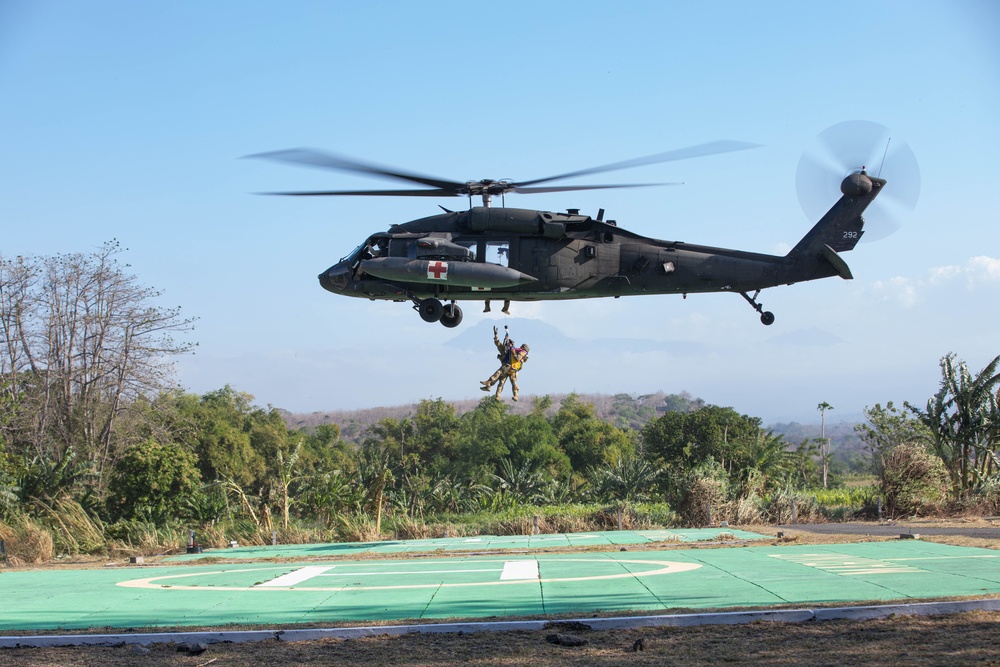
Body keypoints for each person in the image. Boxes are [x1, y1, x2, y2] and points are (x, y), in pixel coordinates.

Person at [480, 326, 529, 401]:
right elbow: (498, 344)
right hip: (508, 369)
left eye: (508, 344)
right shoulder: (505, 351)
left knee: (502, 375)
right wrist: (495, 335)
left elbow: (518, 358)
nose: (507, 345)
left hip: (510, 368)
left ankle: (489, 383)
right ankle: (497, 396)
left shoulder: (515, 351)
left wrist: (513, 352)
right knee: (501, 382)